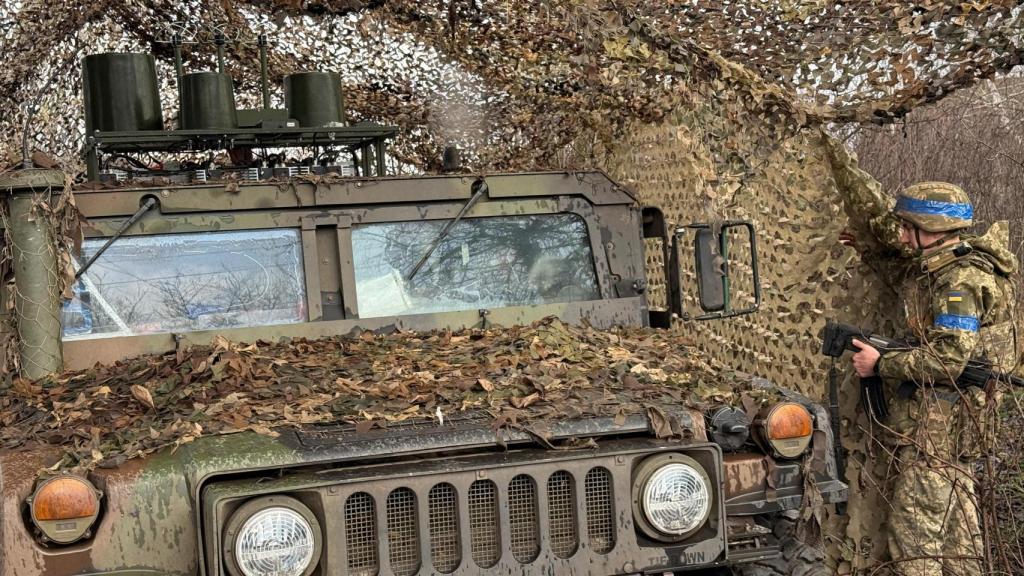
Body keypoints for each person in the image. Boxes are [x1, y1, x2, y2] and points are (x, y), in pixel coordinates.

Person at [822, 133, 1018, 576]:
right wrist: (868, 248)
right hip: (953, 432)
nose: (902, 237)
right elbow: (906, 278)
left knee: (915, 542)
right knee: (959, 547)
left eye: (907, 228)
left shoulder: (959, 283)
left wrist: (881, 363)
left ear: (928, 230)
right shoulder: (943, 269)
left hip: (940, 432)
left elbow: (950, 360)